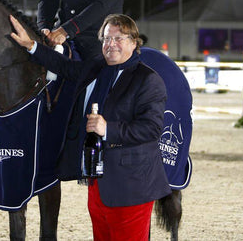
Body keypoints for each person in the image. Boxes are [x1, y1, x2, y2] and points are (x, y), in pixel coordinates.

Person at [10, 13, 171, 241]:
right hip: (97, 181)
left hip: (132, 186)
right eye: (106, 39)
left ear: (134, 43)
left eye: (118, 39)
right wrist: (31, 45)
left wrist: (109, 129)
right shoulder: (97, 68)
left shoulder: (148, 80)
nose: (110, 44)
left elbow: (152, 128)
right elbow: (64, 66)